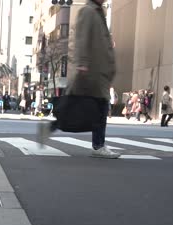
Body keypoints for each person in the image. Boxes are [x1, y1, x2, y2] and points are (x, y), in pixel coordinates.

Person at [37, 0, 120, 159]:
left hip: (98, 71)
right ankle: (98, 146)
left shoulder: (98, 11)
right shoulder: (87, 11)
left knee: (81, 108)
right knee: (94, 108)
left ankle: (50, 128)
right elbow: (81, 39)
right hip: (91, 71)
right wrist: (82, 63)